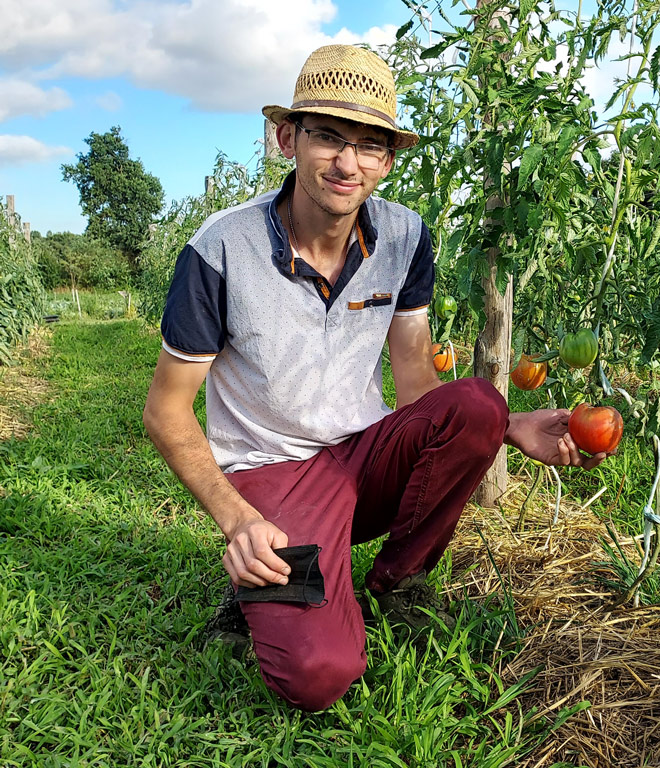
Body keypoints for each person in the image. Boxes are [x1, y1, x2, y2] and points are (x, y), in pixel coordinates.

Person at [143, 44, 607, 712]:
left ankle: (400, 581)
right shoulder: (220, 249)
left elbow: (417, 377)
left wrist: (505, 428)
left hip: (362, 459)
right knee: (318, 674)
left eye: (370, 146)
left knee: (475, 401)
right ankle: (262, 585)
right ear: (287, 139)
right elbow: (166, 413)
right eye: (328, 136)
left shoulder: (404, 236)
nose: (347, 163)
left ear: (388, 161)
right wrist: (238, 520)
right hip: (273, 475)